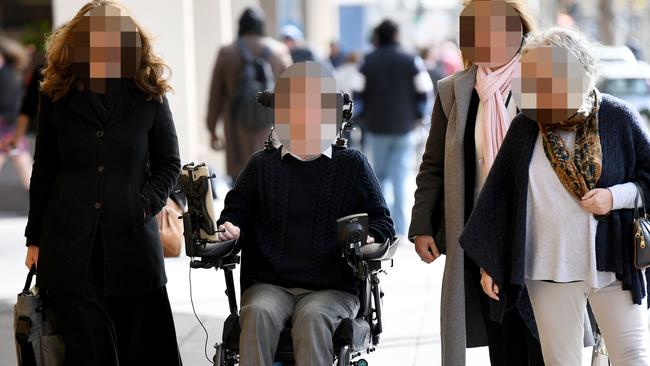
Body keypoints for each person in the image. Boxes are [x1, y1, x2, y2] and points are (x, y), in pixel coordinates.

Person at [461, 28, 650, 365]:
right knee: (560, 361)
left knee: (632, 357)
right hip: (547, 267)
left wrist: (615, 197)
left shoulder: (618, 118)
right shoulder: (525, 127)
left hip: (612, 264)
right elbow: (501, 197)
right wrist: (492, 264)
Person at [23, 1, 182, 365]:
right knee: (90, 353)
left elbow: (169, 164)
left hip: (133, 247)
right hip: (69, 248)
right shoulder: (56, 94)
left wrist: (143, 203)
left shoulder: (149, 93)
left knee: (143, 351)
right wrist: (34, 238)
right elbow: (44, 168)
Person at [216, 61, 395, 366]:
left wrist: (369, 236)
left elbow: (384, 223)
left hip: (332, 287)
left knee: (312, 317)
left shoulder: (351, 165)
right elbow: (235, 212)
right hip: (271, 284)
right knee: (257, 313)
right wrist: (230, 227)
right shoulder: (261, 166)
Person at [409, 1, 545, 365]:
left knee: (542, 337)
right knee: (502, 341)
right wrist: (422, 224)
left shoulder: (543, 80)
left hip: (537, 230)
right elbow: (433, 164)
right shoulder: (455, 92)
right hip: (481, 233)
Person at [357, 19, 433, 236]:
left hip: (376, 127)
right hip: (404, 127)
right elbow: (425, 92)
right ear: (396, 35)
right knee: (400, 176)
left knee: (378, 178)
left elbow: (357, 93)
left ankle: (383, 226)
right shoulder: (411, 60)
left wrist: (362, 116)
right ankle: (400, 226)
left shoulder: (368, 61)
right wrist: (419, 115)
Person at [207, 7, 291, 182]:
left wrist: (212, 128)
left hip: (236, 133)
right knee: (272, 180)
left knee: (241, 184)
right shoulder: (279, 52)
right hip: (272, 129)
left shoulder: (227, 53)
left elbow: (215, 95)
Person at [0, 35, 32, 191]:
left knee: (24, 165)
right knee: (24, 165)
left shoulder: (5, 75)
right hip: (11, 127)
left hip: (6, 127)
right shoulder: (10, 73)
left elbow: (7, 103)